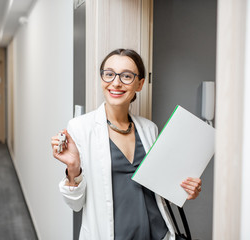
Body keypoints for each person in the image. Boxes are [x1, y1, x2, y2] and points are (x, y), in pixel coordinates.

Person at [51, 49, 202, 240]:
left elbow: (160, 190)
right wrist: (73, 168)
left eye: (126, 76)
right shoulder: (80, 128)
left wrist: (186, 189)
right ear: (101, 79)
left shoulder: (149, 129)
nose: (116, 82)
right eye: (109, 74)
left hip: (157, 234)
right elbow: (75, 204)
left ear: (139, 84)